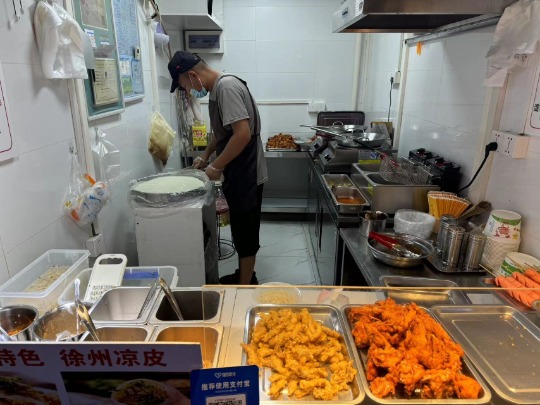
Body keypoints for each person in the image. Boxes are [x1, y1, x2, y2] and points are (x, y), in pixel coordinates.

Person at [168, 51, 268, 285]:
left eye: (184, 86)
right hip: (239, 171)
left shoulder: (226, 87)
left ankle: (245, 286)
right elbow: (221, 133)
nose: (188, 91)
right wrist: (205, 156)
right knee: (240, 230)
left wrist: (217, 165)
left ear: (192, 75)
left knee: (246, 233)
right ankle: (244, 275)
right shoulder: (217, 90)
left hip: (248, 172)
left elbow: (242, 135)